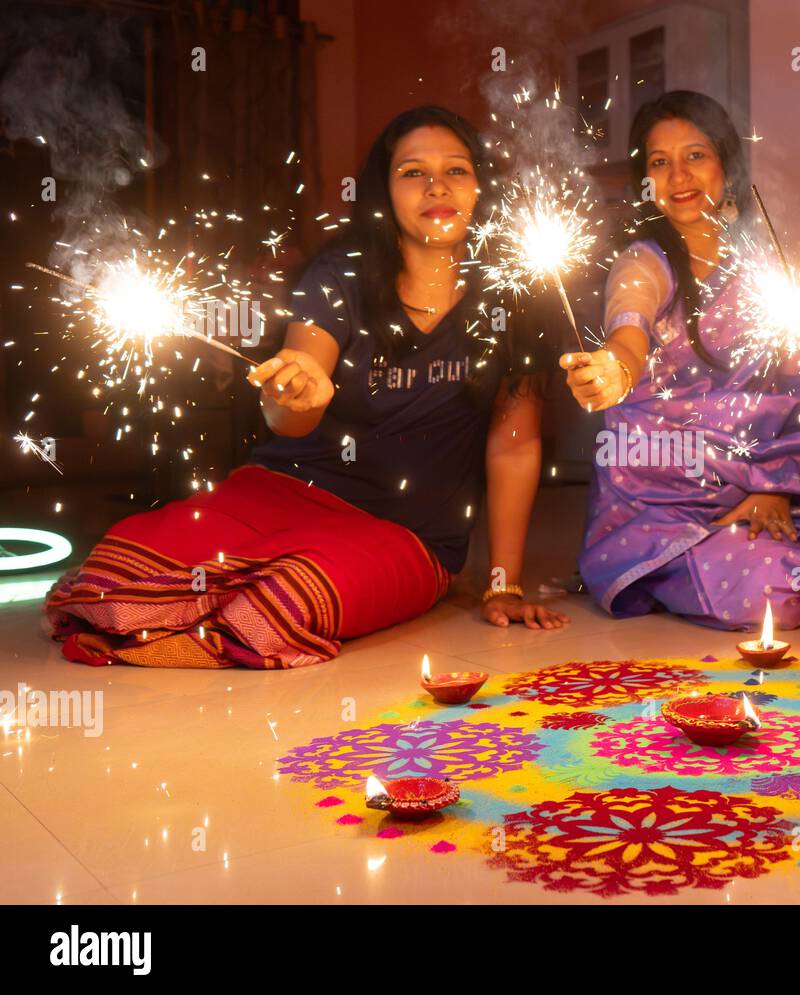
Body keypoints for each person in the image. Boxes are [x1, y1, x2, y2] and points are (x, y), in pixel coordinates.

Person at [46, 105, 569, 669]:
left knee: (287, 601)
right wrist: (294, 392)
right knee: (110, 571)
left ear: (481, 187)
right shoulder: (341, 274)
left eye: (457, 170)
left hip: (405, 534)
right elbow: (290, 408)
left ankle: (193, 614)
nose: (436, 185)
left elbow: (514, 445)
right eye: (413, 171)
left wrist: (502, 584)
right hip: (282, 493)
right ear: (384, 192)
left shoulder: (515, 296)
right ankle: (195, 612)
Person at [562, 90, 800, 631]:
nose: (678, 175)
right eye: (658, 162)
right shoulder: (642, 261)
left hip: (766, 455)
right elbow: (628, 327)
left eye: (695, 155)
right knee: (768, 591)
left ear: (726, 165)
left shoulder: (760, 260)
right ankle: (709, 549)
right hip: (673, 471)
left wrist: (774, 486)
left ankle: (764, 518)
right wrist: (616, 367)